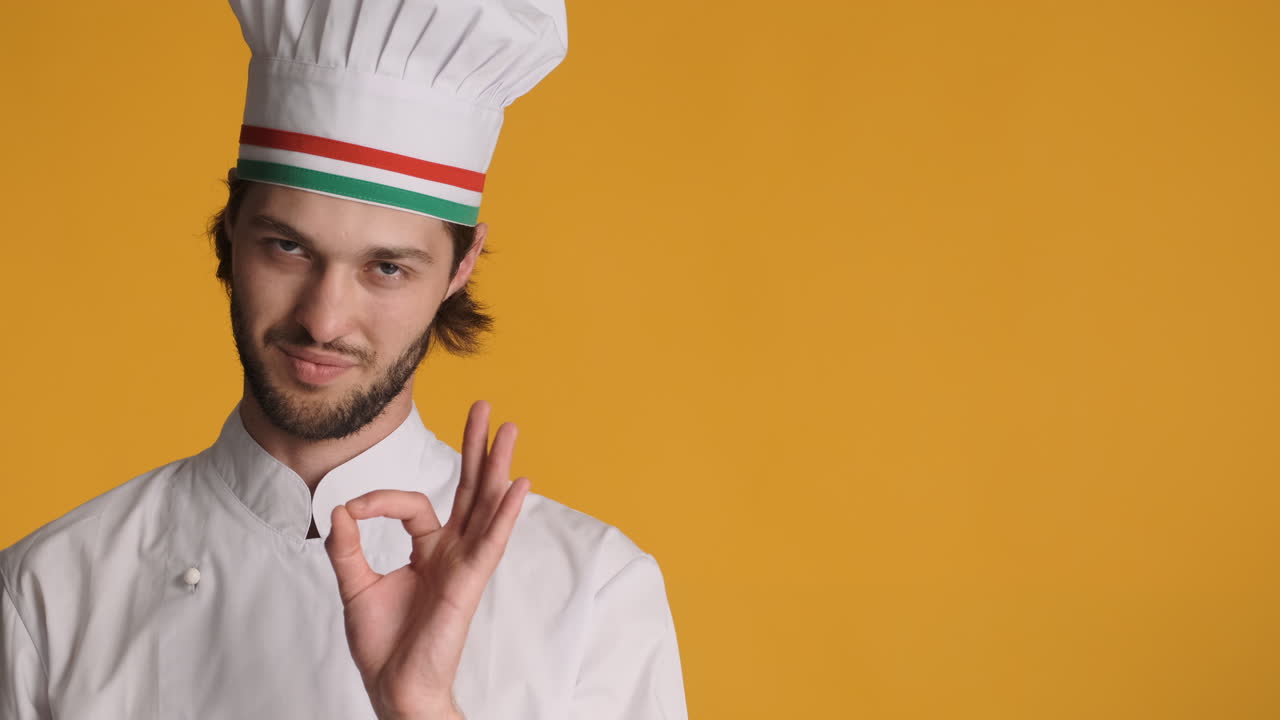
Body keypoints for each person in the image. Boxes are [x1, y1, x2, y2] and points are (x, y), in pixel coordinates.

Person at [0, 1, 688, 718]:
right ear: (233, 227)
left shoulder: (592, 594)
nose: (323, 320)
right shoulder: (49, 593)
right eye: (288, 247)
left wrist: (418, 701)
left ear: (461, 266)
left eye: (385, 268)